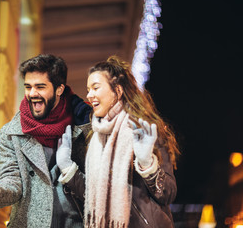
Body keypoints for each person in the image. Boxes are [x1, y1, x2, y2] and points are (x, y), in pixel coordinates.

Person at [0, 54, 92, 228]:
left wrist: (87, 128)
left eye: (40, 87)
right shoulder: (11, 133)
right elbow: (12, 185)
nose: (32, 94)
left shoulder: (84, 126)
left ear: (59, 89)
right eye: (28, 87)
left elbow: (96, 188)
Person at [59, 55, 179, 227]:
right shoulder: (95, 137)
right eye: (88, 89)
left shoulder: (144, 130)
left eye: (96, 87)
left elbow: (167, 194)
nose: (89, 94)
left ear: (118, 91)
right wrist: (68, 169)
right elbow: (93, 195)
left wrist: (147, 164)